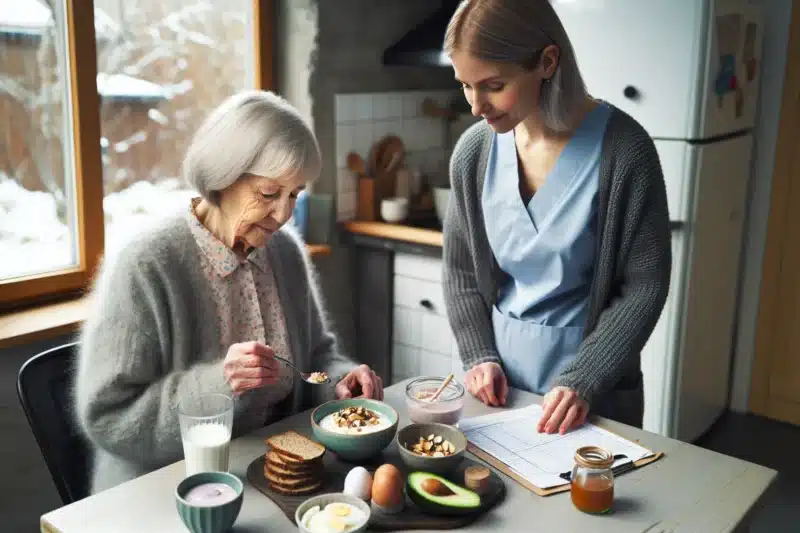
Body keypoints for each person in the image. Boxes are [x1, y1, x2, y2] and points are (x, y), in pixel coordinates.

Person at [74, 90, 383, 493]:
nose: (284, 214)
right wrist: (221, 383)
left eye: (295, 194)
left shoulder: (284, 252)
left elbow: (316, 357)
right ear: (222, 178)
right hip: (164, 489)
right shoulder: (146, 264)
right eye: (270, 193)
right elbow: (108, 415)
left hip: (270, 473)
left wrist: (339, 382)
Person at [442, 0, 671, 434]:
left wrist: (584, 380)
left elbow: (645, 285)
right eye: (465, 86)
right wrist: (479, 356)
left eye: (492, 84)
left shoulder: (626, 151)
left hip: (590, 393)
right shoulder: (474, 153)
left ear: (547, 62)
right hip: (498, 390)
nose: (476, 106)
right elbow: (461, 273)